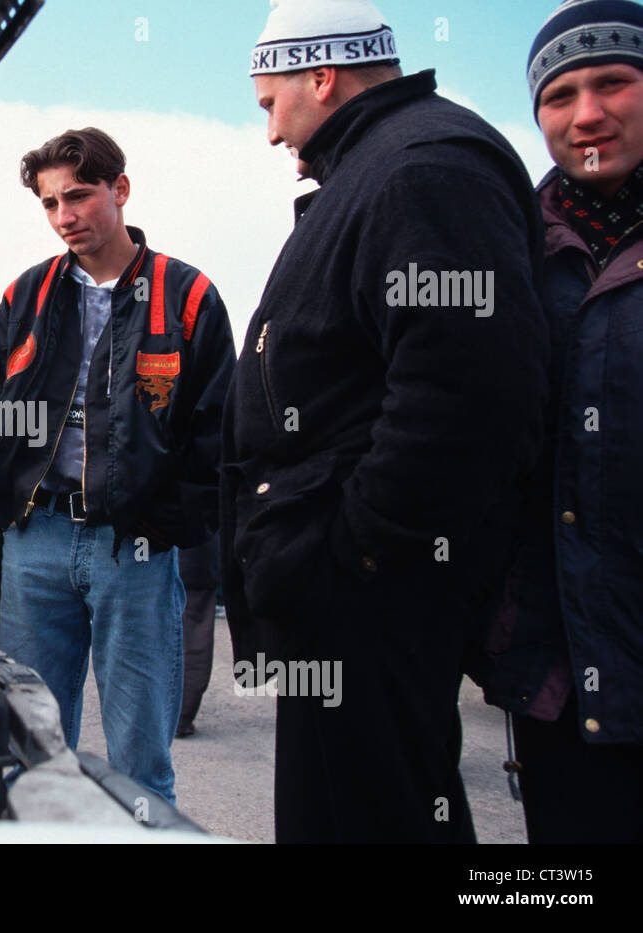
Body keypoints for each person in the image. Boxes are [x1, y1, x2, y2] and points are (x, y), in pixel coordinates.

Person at [223, 0, 549, 842]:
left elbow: (464, 395)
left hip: (370, 592)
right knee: (351, 806)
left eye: (269, 104)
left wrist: (354, 548)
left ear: (321, 76)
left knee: (375, 813)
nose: (269, 134)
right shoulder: (379, 164)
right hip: (347, 588)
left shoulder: (422, 168)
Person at [0, 128, 236, 805]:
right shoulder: (25, 295)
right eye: (51, 203)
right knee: (29, 753)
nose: (65, 216)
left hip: (137, 551)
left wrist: (165, 520)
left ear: (120, 190)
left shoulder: (189, 295)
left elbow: (220, 433)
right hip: (36, 543)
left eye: (79, 196)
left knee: (140, 762)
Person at [476, 0, 643, 844]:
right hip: (554, 664)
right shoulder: (504, 246)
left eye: (615, 81)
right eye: (559, 94)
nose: (586, 113)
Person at [176, 533, 220, 739]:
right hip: (200, 550)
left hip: (161, 550)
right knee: (195, 634)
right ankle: (181, 716)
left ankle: (176, 715)